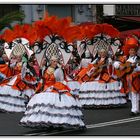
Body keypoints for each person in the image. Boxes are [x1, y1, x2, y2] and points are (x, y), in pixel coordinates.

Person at [20, 55, 85, 129]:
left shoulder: (59, 70)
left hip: (55, 87)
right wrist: (39, 87)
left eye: (56, 61)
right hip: (45, 88)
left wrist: (61, 87)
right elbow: (43, 80)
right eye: (53, 61)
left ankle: (57, 121)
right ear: (50, 62)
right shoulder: (45, 69)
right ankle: (46, 121)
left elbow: (61, 81)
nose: (54, 63)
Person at [114, 37, 140, 116]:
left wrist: (135, 67)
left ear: (135, 52)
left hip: (136, 77)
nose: (132, 51)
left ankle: (134, 109)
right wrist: (120, 66)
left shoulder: (138, 59)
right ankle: (136, 109)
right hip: (127, 78)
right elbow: (115, 64)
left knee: (135, 93)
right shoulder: (125, 58)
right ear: (128, 51)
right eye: (130, 50)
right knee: (131, 94)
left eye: (133, 50)